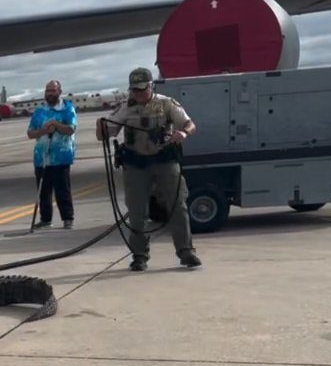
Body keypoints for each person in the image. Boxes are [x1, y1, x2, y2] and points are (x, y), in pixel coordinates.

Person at [96, 68, 202, 271]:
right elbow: (105, 134)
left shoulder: (166, 103)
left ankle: (186, 251)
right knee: (137, 212)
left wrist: (183, 133)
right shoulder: (125, 108)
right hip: (136, 164)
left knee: (177, 206)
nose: (138, 94)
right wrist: (100, 127)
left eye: (142, 89)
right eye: (134, 90)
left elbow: (190, 124)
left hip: (164, 160)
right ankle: (140, 255)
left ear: (151, 86)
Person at [27, 79, 77, 229]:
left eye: (52, 91)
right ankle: (46, 218)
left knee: (62, 189)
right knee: (44, 191)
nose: (49, 94)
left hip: (60, 156)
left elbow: (71, 129)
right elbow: (30, 133)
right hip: (42, 157)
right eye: (47, 91)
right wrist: (42, 130)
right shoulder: (39, 112)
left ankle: (68, 218)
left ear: (59, 92)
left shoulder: (67, 109)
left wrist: (56, 125)